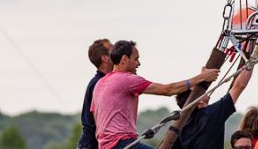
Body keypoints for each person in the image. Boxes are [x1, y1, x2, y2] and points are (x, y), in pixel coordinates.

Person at [91, 39, 220, 149]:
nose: (139, 63)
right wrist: (202, 77)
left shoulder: (100, 84)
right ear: (124, 59)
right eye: (136, 59)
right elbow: (168, 90)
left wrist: (200, 77)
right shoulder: (127, 79)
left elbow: (96, 116)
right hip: (123, 143)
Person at [173, 65, 254, 149]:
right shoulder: (210, 115)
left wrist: (202, 76)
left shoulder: (180, 126)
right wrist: (253, 58)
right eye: (198, 90)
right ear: (199, 100)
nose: (204, 91)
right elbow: (239, 87)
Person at [77, 39, 113, 149]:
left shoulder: (107, 81)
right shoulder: (99, 84)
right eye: (113, 51)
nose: (118, 53)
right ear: (105, 58)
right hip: (91, 145)